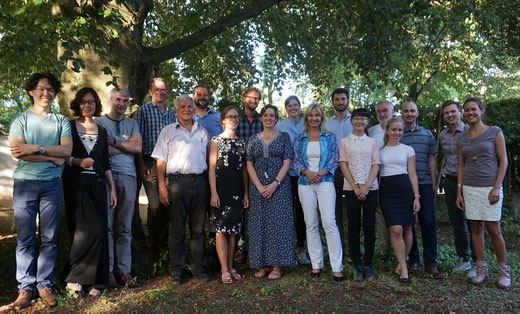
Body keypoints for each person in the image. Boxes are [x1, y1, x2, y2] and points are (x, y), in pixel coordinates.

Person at [8, 72, 72, 310]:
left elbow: (66, 151)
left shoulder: (61, 121)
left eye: (51, 90)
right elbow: (17, 151)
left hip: (51, 185)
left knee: (49, 238)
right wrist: (49, 153)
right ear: (31, 91)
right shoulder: (20, 120)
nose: (46, 93)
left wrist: (34, 148)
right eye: (41, 89)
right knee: (24, 239)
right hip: (24, 184)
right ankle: (25, 289)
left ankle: (44, 285)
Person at [62, 87, 117, 296]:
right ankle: (75, 278)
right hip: (75, 184)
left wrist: (112, 189)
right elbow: (62, 156)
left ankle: (96, 281)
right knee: (83, 231)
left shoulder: (101, 130)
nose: (87, 105)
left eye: (91, 102)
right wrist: (77, 161)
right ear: (78, 104)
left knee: (100, 229)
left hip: (97, 184)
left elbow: (105, 162)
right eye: (84, 101)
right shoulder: (68, 126)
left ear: (96, 105)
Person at [153, 95, 210, 286]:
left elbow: (209, 160)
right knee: (177, 230)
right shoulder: (168, 131)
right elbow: (160, 162)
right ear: (176, 110)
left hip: (200, 183)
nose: (187, 109)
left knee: (198, 230)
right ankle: (177, 271)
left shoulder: (203, 132)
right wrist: (162, 187)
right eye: (183, 106)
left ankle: (198, 269)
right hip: (177, 184)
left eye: (190, 106)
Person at [456, 97, 510, 288]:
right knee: (475, 229)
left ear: (482, 111)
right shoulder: (462, 138)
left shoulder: (494, 132)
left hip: (490, 187)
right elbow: (461, 166)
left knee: (494, 229)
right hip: (470, 187)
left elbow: (503, 161)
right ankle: (481, 270)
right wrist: (459, 192)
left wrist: (496, 187)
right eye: (466, 110)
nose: (470, 113)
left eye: (473, 109)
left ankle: (504, 272)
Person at [95, 87, 142, 287]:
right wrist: (125, 145)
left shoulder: (132, 123)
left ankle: (124, 270)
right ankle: (108, 269)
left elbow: (138, 148)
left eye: (125, 100)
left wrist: (113, 142)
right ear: (110, 100)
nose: (122, 104)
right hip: (105, 176)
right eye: (118, 100)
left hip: (129, 176)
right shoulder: (98, 122)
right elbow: (100, 151)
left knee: (124, 227)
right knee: (106, 225)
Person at [293, 104, 344, 282]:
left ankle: (337, 267)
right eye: (310, 115)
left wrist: (319, 174)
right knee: (311, 224)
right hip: (305, 184)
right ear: (306, 118)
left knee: (329, 223)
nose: (314, 118)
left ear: (322, 117)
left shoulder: (329, 137)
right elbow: (296, 161)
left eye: (317, 115)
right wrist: (308, 173)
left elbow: (333, 159)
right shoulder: (300, 138)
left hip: (325, 183)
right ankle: (316, 264)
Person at [246, 105, 296, 280]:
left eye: (272, 115)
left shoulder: (283, 137)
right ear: (261, 118)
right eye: (265, 115)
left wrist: (275, 183)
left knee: (278, 223)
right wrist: (259, 186)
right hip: (257, 187)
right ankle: (261, 263)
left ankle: (277, 265)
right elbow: (249, 163)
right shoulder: (253, 139)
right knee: (259, 223)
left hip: (279, 187)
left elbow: (287, 161)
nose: (268, 118)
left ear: (276, 118)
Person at [400, 101, 443, 279]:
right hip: (405, 185)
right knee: (408, 224)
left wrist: (434, 183)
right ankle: (414, 259)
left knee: (428, 222)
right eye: (406, 111)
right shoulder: (397, 134)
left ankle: (431, 263)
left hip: (425, 183)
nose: (409, 113)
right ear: (401, 113)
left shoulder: (427, 135)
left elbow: (432, 160)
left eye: (412, 111)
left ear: (417, 113)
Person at [134, 78, 176, 252]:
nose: (161, 92)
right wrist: (141, 163)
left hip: (169, 163)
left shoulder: (172, 114)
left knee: (168, 201)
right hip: (150, 161)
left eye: (163, 89)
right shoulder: (143, 111)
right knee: (155, 204)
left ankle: (162, 240)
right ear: (151, 92)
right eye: (157, 89)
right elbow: (137, 140)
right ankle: (152, 235)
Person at [208, 106, 249, 284]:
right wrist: (213, 192)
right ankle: (223, 268)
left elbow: (245, 170)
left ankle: (231, 266)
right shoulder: (215, 141)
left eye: (236, 117)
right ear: (223, 120)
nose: (233, 119)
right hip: (221, 189)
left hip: (237, 190)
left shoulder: (242, 142)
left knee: (233, 231)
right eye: (230, 117)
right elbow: (211, 168)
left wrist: (246, 193)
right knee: (220, 230)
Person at [339, 108, 380, 281]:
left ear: (367, 121)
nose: (360, 122)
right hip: (351, 189)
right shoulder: (344, 142)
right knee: (354, 227)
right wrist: (356, 188)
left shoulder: (372, 142)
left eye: (363, 119)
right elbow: (343, 165)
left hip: (371, 189)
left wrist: (366, 187)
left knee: (369, 227)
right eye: (356, 118)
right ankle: (356, 264)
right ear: (351, 121)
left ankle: (368, 264)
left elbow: (376, 164)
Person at [379, 118, 420, 284]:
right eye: (394, 130)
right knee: (395, 230)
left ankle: (401, 264)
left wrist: (416, 197)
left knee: (408, 229)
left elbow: (412, 174)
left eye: (400, 130)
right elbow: (376, 175)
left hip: (405, 191)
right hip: (387, 192)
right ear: (387, 131)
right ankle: (404, 267)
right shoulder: (379, 151)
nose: (397, 133)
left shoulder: (408, 149)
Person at [439, 100, 476, 277]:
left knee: (473, 222)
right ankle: (464, 258)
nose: (450, 115)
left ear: (460, 113)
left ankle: (478, 261)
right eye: (446, 113)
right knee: (457, 222)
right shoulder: (443, 135)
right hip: (450, 182)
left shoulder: (471, 132)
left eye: (453, 112)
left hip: (470, 181)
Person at [275, 95, 310, 265]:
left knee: (303, 213)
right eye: (290, 105)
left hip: (305, 175)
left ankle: (301, 250)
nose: (293, 108)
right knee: (286, 213)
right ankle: (286, 250)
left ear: (300, 106)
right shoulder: (280, 126)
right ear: (286, 107)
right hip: (287, 175)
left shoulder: (307, 123)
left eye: (295, 105)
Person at [324, 88, 353, 256]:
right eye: (337, 99)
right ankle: (339, 251)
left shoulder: (355, 121)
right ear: (332, 102)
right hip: (333, 172)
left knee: (352, 212)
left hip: (351, 171)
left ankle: (353, 252)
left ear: (348, 100)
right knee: (335, 214)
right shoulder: (326, 124)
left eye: (343, 99)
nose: (340, 102)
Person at [367, 100, 394, 259]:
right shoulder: (371, 131)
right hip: (378, 178)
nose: (382, 114)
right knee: (380, 215)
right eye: (379, 111)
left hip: (397, 178)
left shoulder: (399, 127)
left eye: (385, 110)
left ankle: (403, 253)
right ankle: (384, 252)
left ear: (392, 110)